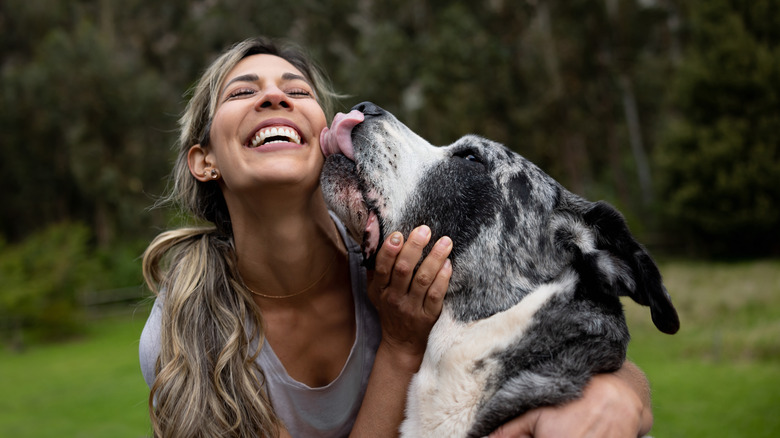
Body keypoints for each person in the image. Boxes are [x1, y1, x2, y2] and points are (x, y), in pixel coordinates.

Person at [139, 36, 654, 437]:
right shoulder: (184, 332)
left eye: (297, 91)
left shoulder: (409, 254)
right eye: (243, 91)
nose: (275, 96)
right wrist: (401, 344)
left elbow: (567, 336)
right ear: (203, 160)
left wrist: (616, 396)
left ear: (325, 135)